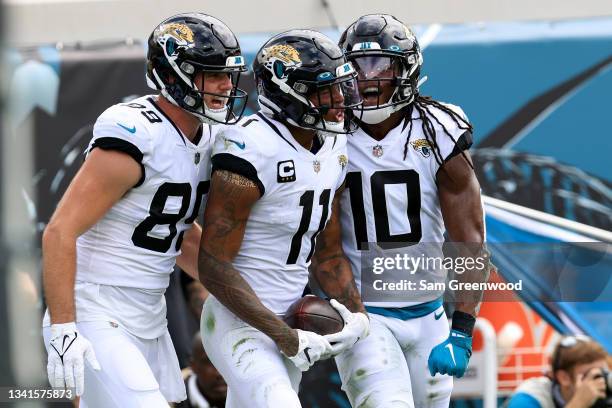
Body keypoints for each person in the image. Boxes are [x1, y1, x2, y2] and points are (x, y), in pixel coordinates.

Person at [42, 13, 247, 406]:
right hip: (95, 307)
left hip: (149, 313)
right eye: (212, 74)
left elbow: (180, 235)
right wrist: (64, 327)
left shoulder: (211, 137)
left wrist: (246, 296)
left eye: (227, 74)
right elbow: (59, 232)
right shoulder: (137, 133)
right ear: (173, 76)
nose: (226, 85)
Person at [198, 30, 370, 408]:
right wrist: (283, 335)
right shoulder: (251, 147)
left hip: (293, 319)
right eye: (328, 91)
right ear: (289, 93)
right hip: (239, 320)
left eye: (343, 88)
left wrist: (357, 315)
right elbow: (212, 264)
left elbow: (326, 255)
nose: (341, 101)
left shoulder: (335, 145)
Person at [326, 14, 491, 407]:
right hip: (366, 309)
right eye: (357, 66)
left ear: (407, 69)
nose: (368, 78)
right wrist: (356, 316)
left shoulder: (439, 129)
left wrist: (462, 329)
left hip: (430, 311)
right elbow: (326, 250)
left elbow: (469, 239)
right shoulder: (328, 132)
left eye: (380, 65)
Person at [507, 335, 610, 408]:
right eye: (591, 375)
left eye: (603, 372)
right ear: (564, 378)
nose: (601, 382)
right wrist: (579, 404)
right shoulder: (529, 398)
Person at [177, 333, 227, 408]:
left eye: (225, 362)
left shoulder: (247, 397)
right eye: (209, 362)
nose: (219, 374)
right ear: (193, 366)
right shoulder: (169, 401)